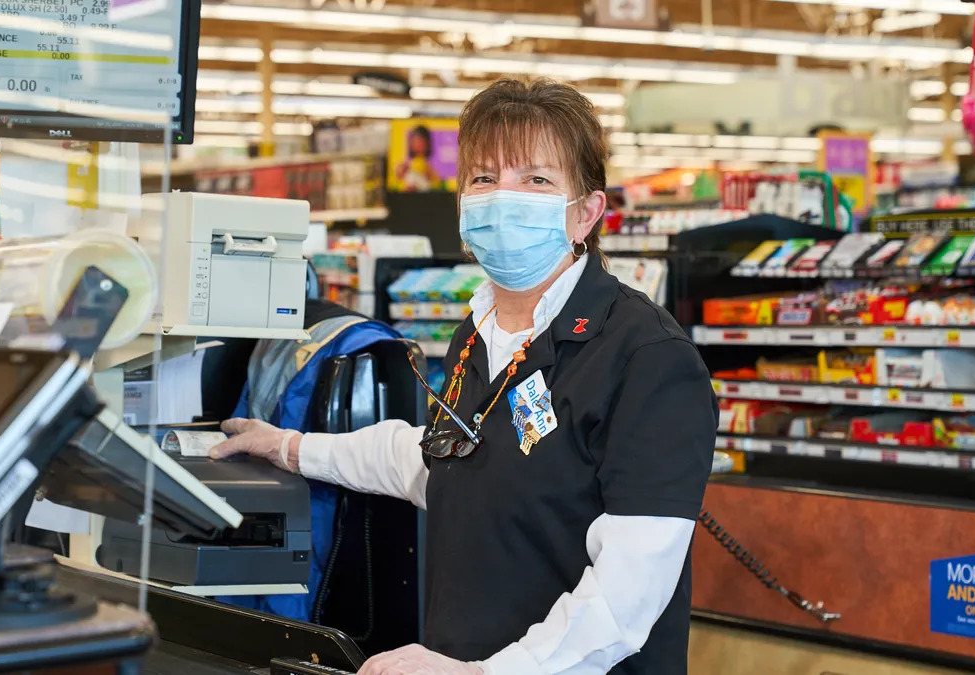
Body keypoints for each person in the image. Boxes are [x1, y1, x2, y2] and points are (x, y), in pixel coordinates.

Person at [212, 77, 717, 675]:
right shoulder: (475, 336)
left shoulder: (647, 358)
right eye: (483, 178)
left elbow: (627, 594)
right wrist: (292, 448)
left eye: (535, 179)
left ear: (585, 214)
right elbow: (444, 464)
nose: (504, 196)